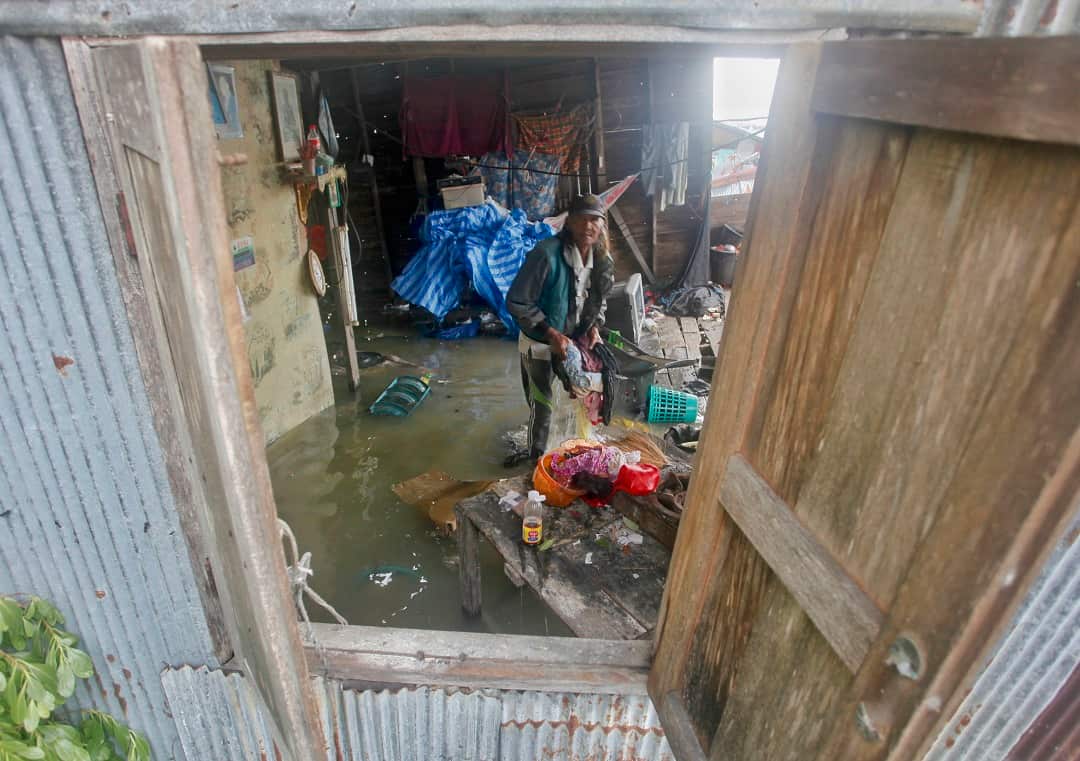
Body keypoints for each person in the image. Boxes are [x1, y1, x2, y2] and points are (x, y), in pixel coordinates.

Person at [506, 193, 615, 462]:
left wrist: (594, 327)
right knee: (542, 406)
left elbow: (599, 301)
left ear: (602, 225)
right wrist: (550, 333)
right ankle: (536, 461)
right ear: (570, 221)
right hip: (539, 342)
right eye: (583, 219)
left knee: (581, 397)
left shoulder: (602, 260)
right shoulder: (546, 254)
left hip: (574, 342)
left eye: (595, 220)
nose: (589, 226)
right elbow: (518, 301)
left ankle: (574, 454)